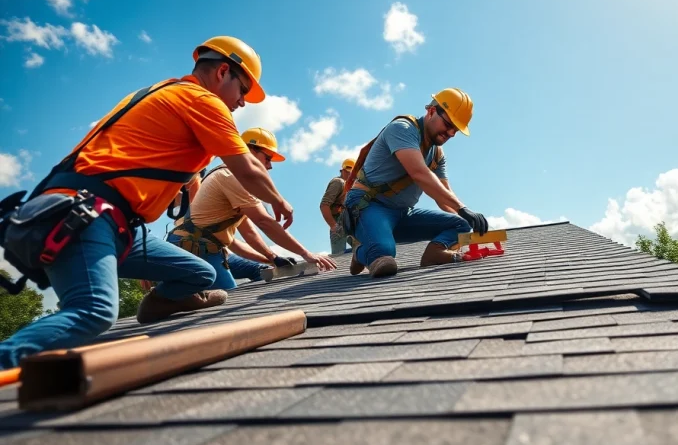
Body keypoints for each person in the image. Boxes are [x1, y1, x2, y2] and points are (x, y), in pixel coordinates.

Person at [0, 36, 295, 369]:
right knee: (94, 310)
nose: (242, 101)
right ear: (222, 72)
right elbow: (248, 169)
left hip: (111, 224)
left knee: (200, 273)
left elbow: (181, 183)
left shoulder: (166, 96)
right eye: (242, 90)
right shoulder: (201, 100)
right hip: (84, 217)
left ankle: (158, 305)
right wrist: (279, 201)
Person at [167, 127, 336, 293]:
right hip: (193, 248)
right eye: (267, 158)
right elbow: (263, 221)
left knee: (253, 274)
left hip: (202, 248)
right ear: (248, 150)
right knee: (226, 301)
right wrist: (306, 253)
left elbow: (248, 234)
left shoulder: (235, 178)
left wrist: (273, 258)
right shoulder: (231, 176)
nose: (269, 166)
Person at [342, 87, 490, 278]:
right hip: (369, 206)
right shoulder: (402, 129)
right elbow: (419, 173)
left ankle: (434, 253)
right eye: (448, 124)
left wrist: (469, 223)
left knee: (460, 225)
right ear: (431, 111)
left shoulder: (436, 154)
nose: (451, 133)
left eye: (456, 130)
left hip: (402, 213)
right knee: (384, 258)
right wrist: (463, 208)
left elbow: (444, 194)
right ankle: (362, 252)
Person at [321, 158, 355, 254]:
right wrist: (334, 226)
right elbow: (324, 205)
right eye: (347, 171)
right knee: (339, 256)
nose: (349, 174)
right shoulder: (338, 182)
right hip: (339, 222)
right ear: (342, 170)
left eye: (352, 172)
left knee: (362, 251)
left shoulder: (352, 185)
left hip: (350, 221)